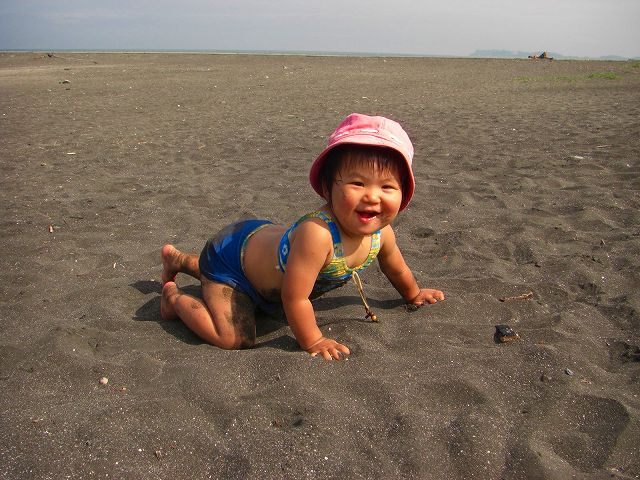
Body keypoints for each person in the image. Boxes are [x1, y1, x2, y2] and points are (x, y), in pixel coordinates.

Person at [160, 113, 445, 360]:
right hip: (231, 259)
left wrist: (414, 294)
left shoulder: (382, 234)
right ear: (327, 188)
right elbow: (294, 298)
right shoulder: (318, 235)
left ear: (403, 193)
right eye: (358, 183)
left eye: (387, 187)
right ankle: (173, 299)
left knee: (231, 275)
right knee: (234, 338)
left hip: (259, 253)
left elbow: (396, 268)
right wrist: (314, 340)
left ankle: (178, 259)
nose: (372, 196)